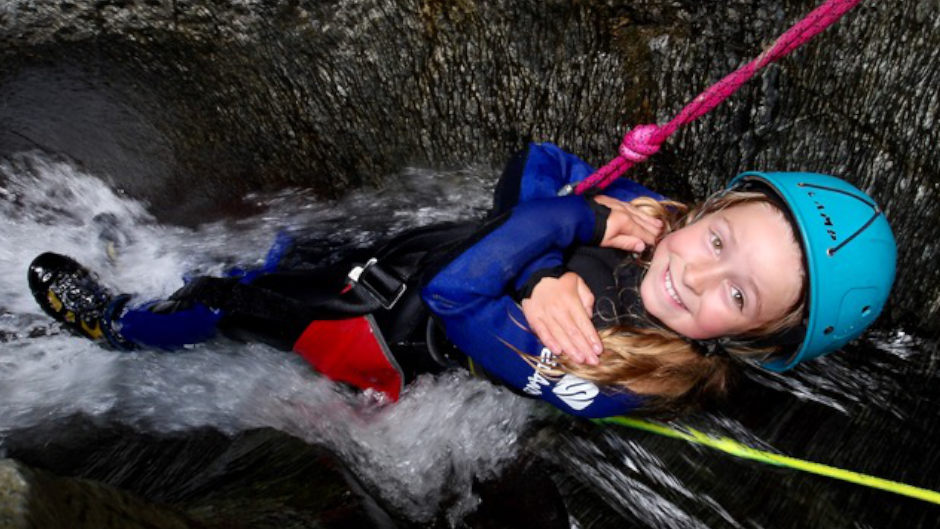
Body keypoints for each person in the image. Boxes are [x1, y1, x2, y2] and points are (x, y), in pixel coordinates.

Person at [26, 143, 897, 418]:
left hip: (382, 332)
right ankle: (232, 271)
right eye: (717, 239)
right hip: (410, 260)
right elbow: (541, 159)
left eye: (736, 298)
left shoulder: (608, 371)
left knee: (229, 306)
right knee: (292, 252)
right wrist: (550, 260)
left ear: (751, 340)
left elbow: (458, 298)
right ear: (708, 211)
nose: (696, 272)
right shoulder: (661, 223)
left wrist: (573, 228)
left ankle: (120, 326)